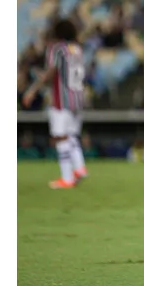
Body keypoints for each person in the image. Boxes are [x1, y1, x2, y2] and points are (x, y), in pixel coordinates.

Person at [22, 19, 88, 189]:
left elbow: (50, 73)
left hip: (62, 98)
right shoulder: (77, 49)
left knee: (60, 137)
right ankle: (79, 168)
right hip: (78, 98)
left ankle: (67, 178)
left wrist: (32, 90)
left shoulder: (57, 49)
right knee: (71, 135)